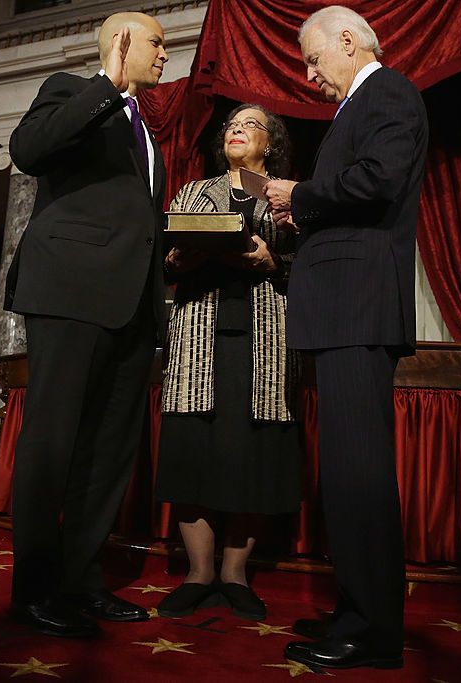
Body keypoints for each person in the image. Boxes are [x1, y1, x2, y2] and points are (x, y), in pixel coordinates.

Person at [263, 5, 428, 671]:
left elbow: (377, 179)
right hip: (342, 309)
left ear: (349, 41)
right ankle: (358, 606)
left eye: (312, 58)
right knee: (347, 470)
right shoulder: (355, 107)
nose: (310, 75)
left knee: (358, 474)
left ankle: (373, 628)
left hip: (358, 308)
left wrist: (298, 196)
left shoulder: (388, 91)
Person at [4, 11, 169, 639]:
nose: (164, 56)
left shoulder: (148, 132)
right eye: (156, 44)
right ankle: (35, 589)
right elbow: (28, 150)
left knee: (107, 452)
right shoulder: (70, 90)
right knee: (53, 444)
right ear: (121, 44)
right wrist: (107, 81)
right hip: (71, 294)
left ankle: (81, 581)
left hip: (133, 309)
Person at [154, 104, 301, 622]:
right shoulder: (194, 192)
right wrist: (176, 259)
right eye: (231, 125)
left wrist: (274, 260)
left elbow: (306, 263)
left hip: (262, 336)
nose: (237, 130)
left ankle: (235, 575)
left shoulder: (285, 194)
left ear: (270, 143)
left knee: (251, 455)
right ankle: (198, 574)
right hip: (198, 334)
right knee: (193, 449)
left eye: (250, 125)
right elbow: (168, 251)